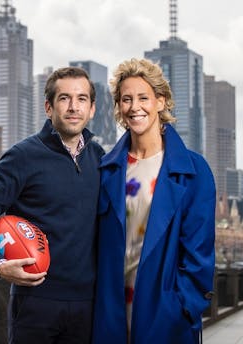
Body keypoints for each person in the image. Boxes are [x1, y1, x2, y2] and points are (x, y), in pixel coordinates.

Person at [0, 66, 104, 343]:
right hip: (36, 301)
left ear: (92, 109)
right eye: (64, 98)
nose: (73, 107)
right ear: (48, 107)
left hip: (88, 304)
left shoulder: (99, 157)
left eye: (82, 99)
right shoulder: (23, 156)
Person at [92, 58, 216, 344]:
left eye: (143, 98)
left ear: (161, 101)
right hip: (110, 313)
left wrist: (182, 308)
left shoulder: (194, 170)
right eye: (126, 99)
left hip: (165, 314)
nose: (135, 107)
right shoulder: (106, 170)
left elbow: (200, 253)